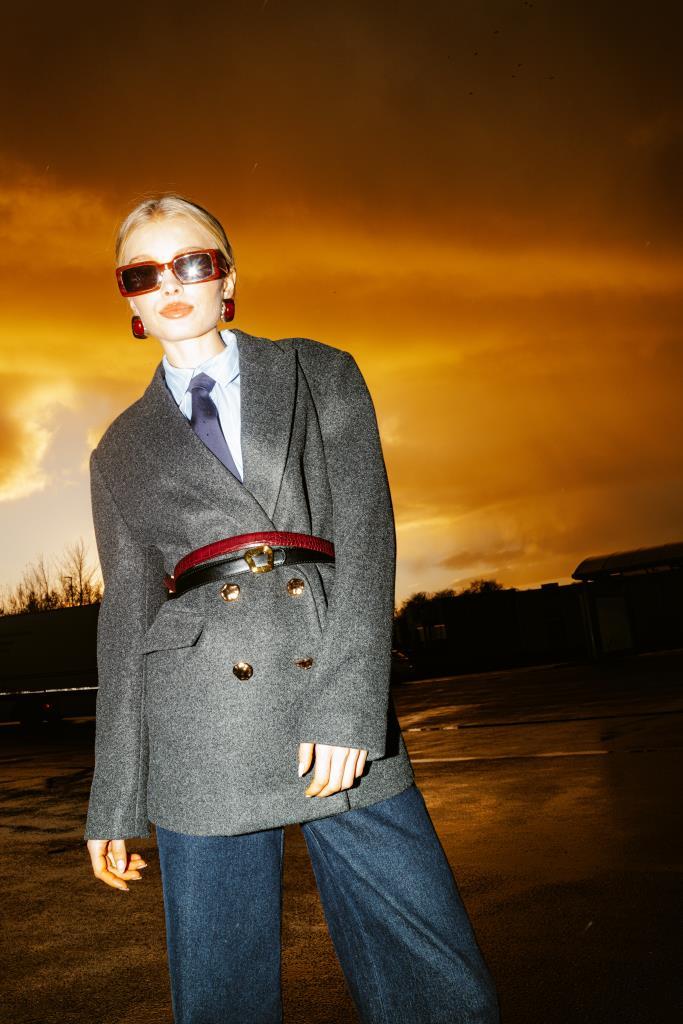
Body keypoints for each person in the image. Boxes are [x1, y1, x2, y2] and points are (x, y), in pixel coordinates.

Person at [83, 192, 500, 1024]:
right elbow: (125, 620)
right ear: (128, 297)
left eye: (191, 262)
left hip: (329, 685)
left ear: (228, 277)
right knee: (222, 995)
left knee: (433, 976)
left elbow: (366, 532)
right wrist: (113, 799)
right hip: (199, 725)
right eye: (143, 273)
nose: (170, 284)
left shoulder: (319, 372)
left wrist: (350, 703)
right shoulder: (118, 448)